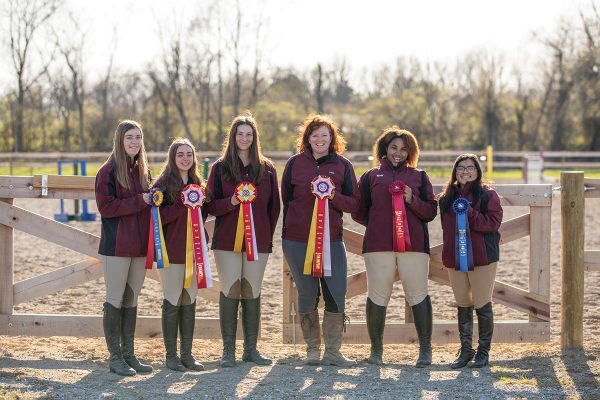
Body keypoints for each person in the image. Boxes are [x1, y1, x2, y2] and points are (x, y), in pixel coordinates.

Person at [352, 127, 437, 367]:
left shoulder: (419, 176)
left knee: (418, 293)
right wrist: (380, 223)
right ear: (385, 149)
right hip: (378, 246)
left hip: (415, 247)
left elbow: (430, 211)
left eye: (403, 149)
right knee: (378, 294)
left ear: (410, 152)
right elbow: (359, 211)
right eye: (393, 148)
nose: (398, 153)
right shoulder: (370, 176)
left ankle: (425, 350)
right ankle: (376, 350)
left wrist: (412, 199)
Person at [281, 115, 359, 367]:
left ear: (332, 138)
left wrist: (332, 195)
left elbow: (354, 203)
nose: (319, 139)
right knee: (306, 293)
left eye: (324, 135)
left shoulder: (343, 166)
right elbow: (287, 199)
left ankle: (333, 351)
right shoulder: (294, 164)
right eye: (314, 135)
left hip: (332, 240)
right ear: (307, 138)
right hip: (297, 240)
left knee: (336, 292)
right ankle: (312, 349)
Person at [206, 112, 280, 368]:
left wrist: (266, 238)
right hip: (226, 240)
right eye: (240, 134)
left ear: (255, 137)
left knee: (252, 290)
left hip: (258, 242)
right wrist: (232, 202)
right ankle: (228, 351)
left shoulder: (267, 169)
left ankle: (251, 349)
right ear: (233, 137)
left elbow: (274, 207)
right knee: (230, 289)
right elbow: (211, 205)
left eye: (249, 134)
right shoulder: (219, 168)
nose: (245, 138)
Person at [95, 120, 153, 376]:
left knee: (132, 299)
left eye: (138, 137)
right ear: (120, 140)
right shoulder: (107, 172)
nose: (134, 142)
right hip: (117, 246)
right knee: (115, 299)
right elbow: (106, 208)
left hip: (140, 247)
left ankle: (129, 354)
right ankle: (115, 357)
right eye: (130, 137)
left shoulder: (143, 171)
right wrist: (139, 201)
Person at [437, 154, 502, 369]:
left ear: (478, 170)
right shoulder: (446, 198)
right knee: (463, 304)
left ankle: (483, 353)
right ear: (455, 172)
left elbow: (491, 224)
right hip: (455, 259)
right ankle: (466, 351)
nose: (465, 171)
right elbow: (447, 231)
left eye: (470, 167)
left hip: (482, 258)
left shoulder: (488, 195)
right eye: (461, 168)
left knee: (482, 303)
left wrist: (469, 212)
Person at [153, 138, 207, 372]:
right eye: (180, 154)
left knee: (190, 299)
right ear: (173, 158)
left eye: (189, 154)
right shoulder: (163, 184)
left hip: (195, 253)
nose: (185, 158)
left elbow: (202, 216)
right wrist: (182, 204)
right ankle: (171, 356)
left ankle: (187, 354)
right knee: (172, 299)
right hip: (171, 252)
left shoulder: (198, 183)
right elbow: (157, 219)